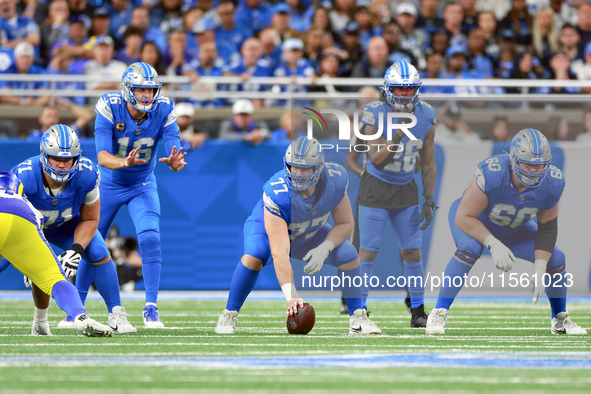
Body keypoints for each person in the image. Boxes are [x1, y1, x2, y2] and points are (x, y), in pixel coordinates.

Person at [426, 128, 587, 336]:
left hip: (514, 227)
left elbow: (547, 228)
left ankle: (560, 319)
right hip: (476, 219)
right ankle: (439, 312)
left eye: (539, 165)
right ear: (513, 160)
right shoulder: (493, 172)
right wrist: (492, 243)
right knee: (469, 248)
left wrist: (540, 267)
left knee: (556, 258)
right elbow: (464, 217)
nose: (534, 171)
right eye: (528, 164)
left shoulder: (552, 182)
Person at [215, 137, 382, 335]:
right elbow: (280, 251)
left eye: (305, 169)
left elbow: (346, 223)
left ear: (319, 167)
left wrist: (325, 247)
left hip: (308, 232)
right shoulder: (277, 191)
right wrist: (291, 295)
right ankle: (229, 313)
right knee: (256, 253)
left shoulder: (335, 180)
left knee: (348, 254)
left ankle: (358, 316)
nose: (299, 174)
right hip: (267, 230)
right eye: (294, 168)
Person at [6, 125, 136, 334]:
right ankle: (41, 321)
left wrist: (75, 251)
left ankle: (116, 313)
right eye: (56, 158)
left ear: (77, 158)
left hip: (64, 226)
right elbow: (13, 219)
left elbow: (91, 219)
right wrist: (26, 256)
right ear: (43, 156)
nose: (62, 164)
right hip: (25, 227)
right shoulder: (24, 175)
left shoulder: (87, 173)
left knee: (98, 251)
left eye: (68, 159)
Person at [93, 62, 187, 328]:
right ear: (127, 89)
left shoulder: (165, 108)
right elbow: (101, 156)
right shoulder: (110, 105)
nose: (147, 96)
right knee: (93, 242)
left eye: (150, 90)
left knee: (150, 236)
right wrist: (123, 163)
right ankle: (75, 307)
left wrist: (174, 161)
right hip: (110, 182)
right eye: (140, 90)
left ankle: (151, 308)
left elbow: (173, 146)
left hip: (142, 183)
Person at [356, 61, 437, 328]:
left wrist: (429, 199)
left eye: (409, 89)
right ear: (388, 89)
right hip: (376, 186)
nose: (404, 94)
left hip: (405, 188)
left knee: (413, 252)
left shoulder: (426, 115)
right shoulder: (373, 113)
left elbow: (428, 162)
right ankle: (359, 311)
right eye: (399, 90)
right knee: (368, 251)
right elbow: (377, 160)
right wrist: (399, 132)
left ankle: (418, 312)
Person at [0, 171, 112, 337]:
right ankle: (80, 316)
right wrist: (30, 267)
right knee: (54, 278)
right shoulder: (25, 202)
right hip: (22, 215)